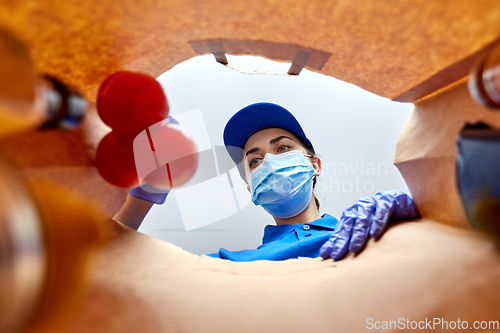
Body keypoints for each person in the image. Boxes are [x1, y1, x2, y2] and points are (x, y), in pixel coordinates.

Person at [114, 102, 418, 261]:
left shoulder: (367, 228)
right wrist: (142, 198)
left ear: (315, 165)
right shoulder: (229, 265)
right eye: (254, 161)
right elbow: (108, 266)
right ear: (251, 188)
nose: (269, 161)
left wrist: (413, 213)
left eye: (283, 148)